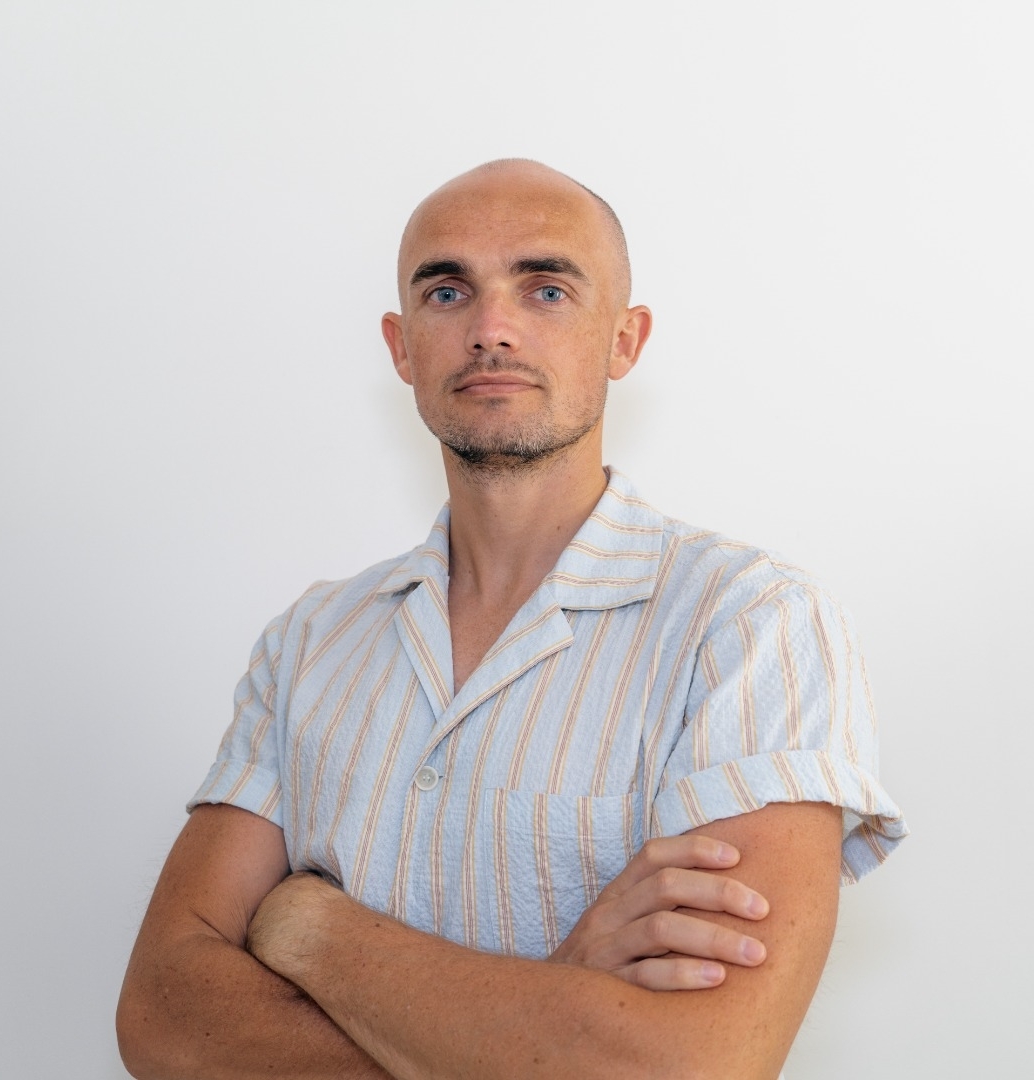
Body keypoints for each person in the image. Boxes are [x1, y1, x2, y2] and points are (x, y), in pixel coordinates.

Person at [117, 159, 906, 1079]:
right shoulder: (310, 641)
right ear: (402, 347)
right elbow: (162, 1017)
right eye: (448, 292)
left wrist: (312, 928)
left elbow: (693, 1064)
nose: (491, 329)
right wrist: (535, 1018)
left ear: (624, 340)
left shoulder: (751, 626)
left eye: (546, 289)